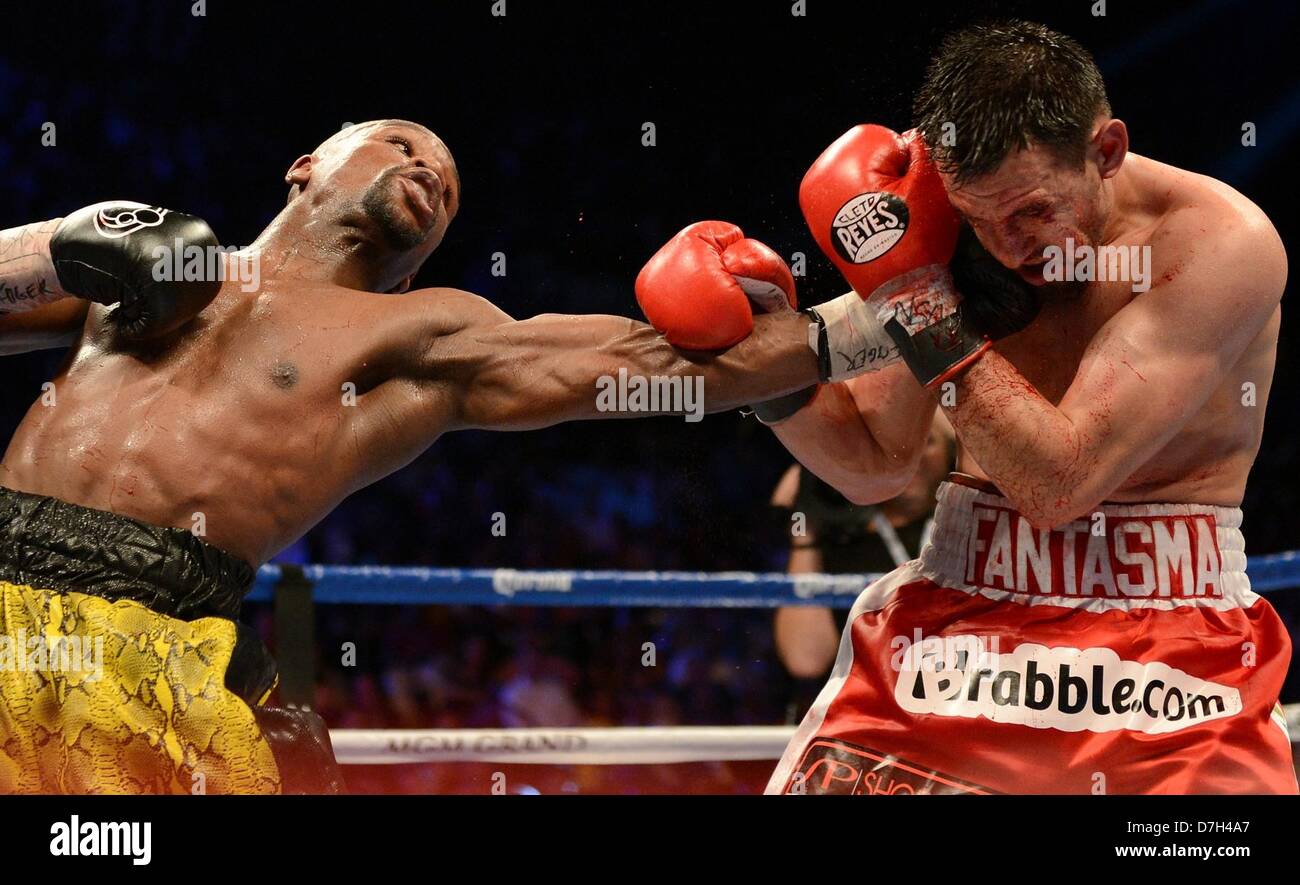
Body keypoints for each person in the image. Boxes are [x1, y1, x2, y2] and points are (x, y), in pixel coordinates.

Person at [0, 120, 829, 793]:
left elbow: (643, 366)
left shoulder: (422, 334)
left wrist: (884, 314)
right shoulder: (158, 257)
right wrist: (60, 242)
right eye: (402, 146)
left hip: (156, 645)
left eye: (450, 187)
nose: (430, 172)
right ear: (306, 165)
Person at [755, 20, 1292, 794]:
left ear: (1106, 151)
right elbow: (872, 464)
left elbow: (1059, 483)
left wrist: (918, 301)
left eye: (1035, 211)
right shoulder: (945, 234)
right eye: (979, 218)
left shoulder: (1218, 241)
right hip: (959, 618)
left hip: (1173, 651)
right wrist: (775, 380)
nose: (1009, 247)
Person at [772, 415, 953, 719]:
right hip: (861, 719)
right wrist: (807, 522)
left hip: (949, 708)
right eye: (898, 445)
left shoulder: (967, 531)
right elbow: (806, 659)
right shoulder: (837, 542)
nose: (913, 456)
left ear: (951, 454)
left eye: (928, 442)